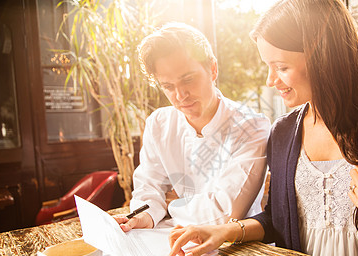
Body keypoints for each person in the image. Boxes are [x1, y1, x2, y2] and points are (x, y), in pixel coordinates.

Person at [164, 0, 358, 256]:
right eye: (268, 67)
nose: (271, 80)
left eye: (281, 67)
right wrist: (224, 231)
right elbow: (277, 219)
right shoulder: (283, 133)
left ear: (324, 55)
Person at [114, 23, 271, 231]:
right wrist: (143, 216)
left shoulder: (252, 126)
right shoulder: (159, 123)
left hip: (237, 246)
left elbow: (225, 212)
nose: (180, 96)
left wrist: (169, 206)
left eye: (188, 80)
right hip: (170, 237)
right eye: (168, 87)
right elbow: (149, 187)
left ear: (213, 69)